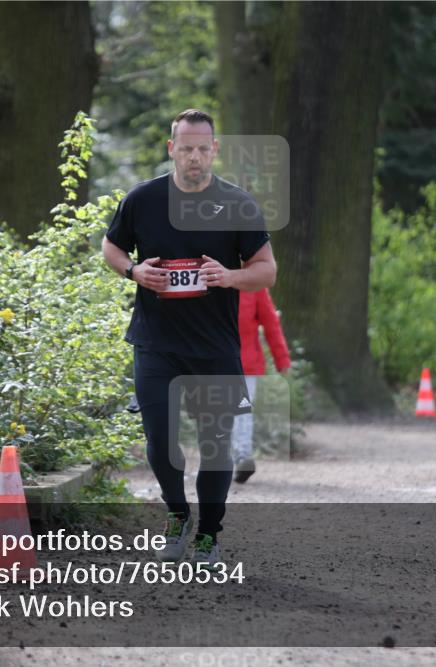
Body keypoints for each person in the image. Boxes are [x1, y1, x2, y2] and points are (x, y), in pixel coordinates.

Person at [102, 109, 276, 565]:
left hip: (214, 345)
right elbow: (111, 245)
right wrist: (133, 270)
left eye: (203, 148)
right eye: (186, 148)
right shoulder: (142, 199)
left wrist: (230, 275)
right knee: (159, 439)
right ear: (171, 149)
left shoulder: (237, 204)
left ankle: (209, 534)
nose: (194, 157)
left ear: (214, 149)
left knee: (215, 443)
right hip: (156, 342)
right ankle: (178, 516)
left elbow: (266, 271)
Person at [232, 288, 291, 483]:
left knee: (241, 409)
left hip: (245, 363)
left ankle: (242, 457)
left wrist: (281, 358)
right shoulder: (210, 277)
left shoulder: (255, 285)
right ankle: (227, 458)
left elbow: (271, 323)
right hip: (213, 360)